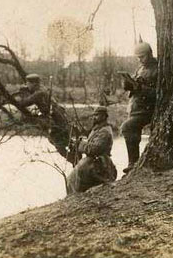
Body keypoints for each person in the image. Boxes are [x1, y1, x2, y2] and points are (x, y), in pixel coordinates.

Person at [120, 41, 158, 174]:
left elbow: (159, 93)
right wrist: (129, 84)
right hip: (137, 108)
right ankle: (133, 162)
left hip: (148, 109)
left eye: (142, 57)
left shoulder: (157, 68)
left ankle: (133, 162)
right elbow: (136, 85)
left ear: (149, 54)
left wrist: (140, 88)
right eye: (138, 57)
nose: (140, 60)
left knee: (127, 127)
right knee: (130, 129)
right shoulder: (140, 69)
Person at [16, 73, 71, 157]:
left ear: (34, 84)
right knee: (60, 141)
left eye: (28, 84)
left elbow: (24, 103)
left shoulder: (39, 93)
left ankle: (73, 157)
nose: (27, 86)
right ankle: (74, 156)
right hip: (57, 117)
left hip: (57, 119)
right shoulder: (42, 89)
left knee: (58, 141)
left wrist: (21, 93)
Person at [66, 106, 117, 194]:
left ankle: (76, 195)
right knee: (72, 178)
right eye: (94, 115)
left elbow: (94, 149)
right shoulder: (98, 129)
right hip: (93, 160)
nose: (94, 117)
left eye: (97, 115)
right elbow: (91, 144)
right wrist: (81, 141)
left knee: (78, 174)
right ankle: (75, 194)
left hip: (100, 162)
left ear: (104, 116)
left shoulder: (105, 131)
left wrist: (80, 144)